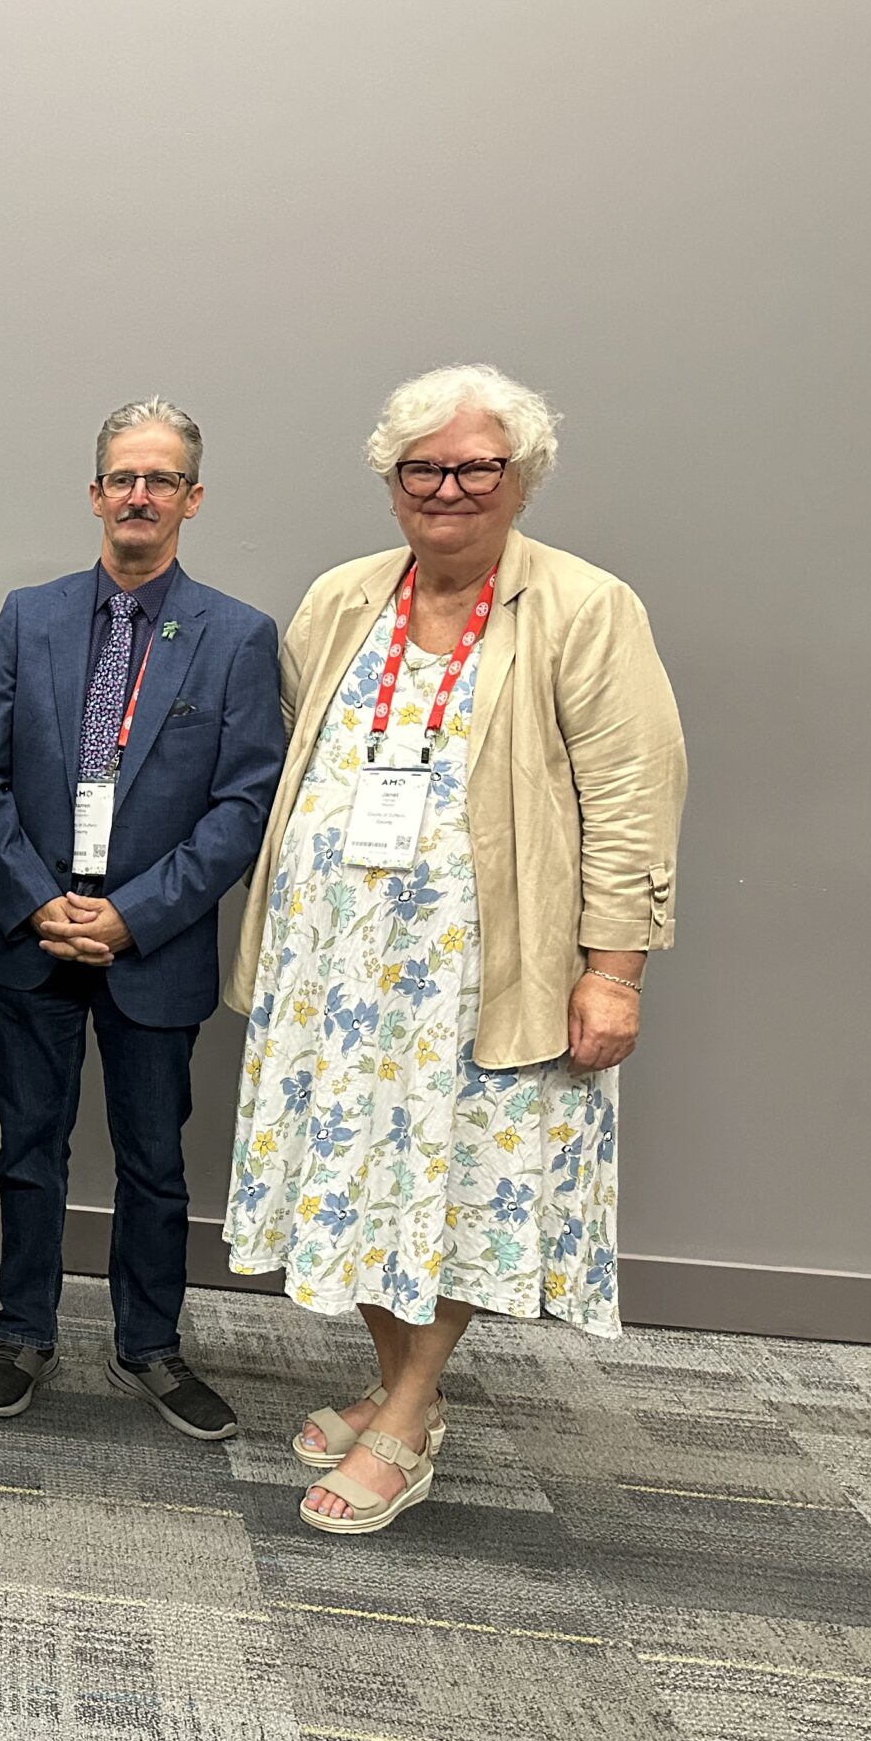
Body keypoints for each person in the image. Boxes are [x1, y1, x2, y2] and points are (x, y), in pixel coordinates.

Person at [223, 364, 686, 1534]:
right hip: (339, 971)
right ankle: (402, 1386)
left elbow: (635, 790)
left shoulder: (584, 607)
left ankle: (407, 1412)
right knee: (374, 1183)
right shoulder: (341, 600)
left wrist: (615, 967)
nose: (447, 488)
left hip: (485, 977)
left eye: (475, 466)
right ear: (391, 485)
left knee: (459, 1187)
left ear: (519, 479)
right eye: (421, 468)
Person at [0, 401, 283, 1435]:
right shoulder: (29, 616)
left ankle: (151, 1346)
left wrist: (133, 916)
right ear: (96, 493)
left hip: (155, 944)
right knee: (27, 1148)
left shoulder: (235, 637)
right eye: (121, 478)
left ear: (191, 498)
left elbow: (243, 804)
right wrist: (39, 899)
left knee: (154, 1161)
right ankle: (22, 1333)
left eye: (161, 479)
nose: (139, 496)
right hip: (32, 930)